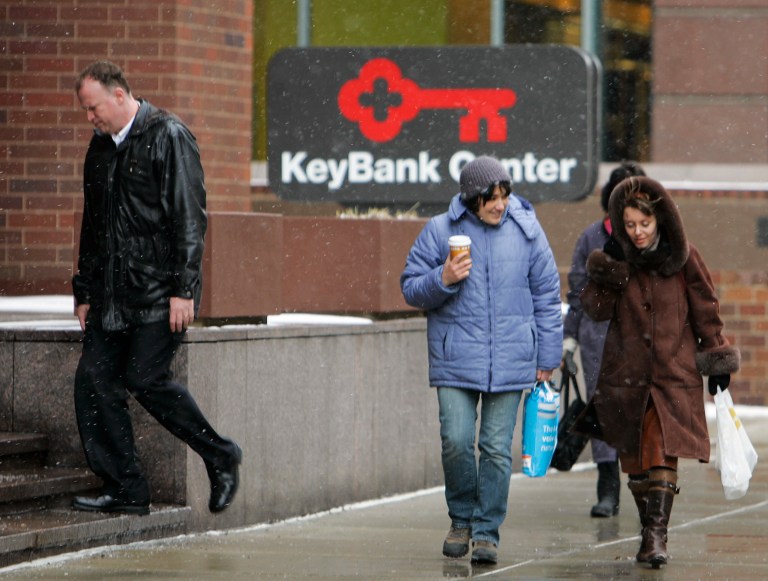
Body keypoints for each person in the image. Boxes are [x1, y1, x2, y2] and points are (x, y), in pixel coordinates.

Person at [71, 61, 242, 516]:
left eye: (93, 108)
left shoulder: (169, 135)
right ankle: (127, 488)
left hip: (158, 292)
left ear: (120, 96)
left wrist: (184, 289)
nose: (91, 117)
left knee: (145, 378)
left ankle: (220, 454)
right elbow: (93, 225)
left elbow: (190, 217)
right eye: (86, 111)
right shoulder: (100, 148)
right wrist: (84, 292)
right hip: (111, 295)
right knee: (92, 381)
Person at [400, 156, 562, 564]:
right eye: (491, 197)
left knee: (494, 448)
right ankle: (461, 520)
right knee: (455, 441)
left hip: (512, 358)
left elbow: (546, 295)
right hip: (456, 356)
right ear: (472, 199)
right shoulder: (440, 230)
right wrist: (444, 278)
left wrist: (548, 355)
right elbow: (410, 287)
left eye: (504, 195)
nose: (500, 204)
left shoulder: (527, 230)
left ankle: (487, 532)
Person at [573, 176, 739, 568]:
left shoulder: (684, 259)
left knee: (662, 450)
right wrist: (609, 268)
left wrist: (716, 356)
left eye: (644, 224)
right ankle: (650, 526)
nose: (638, 232)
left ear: (660, 220)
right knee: (633, 463)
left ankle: (655, 535)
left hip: (672, 374)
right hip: (625, 376)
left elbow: (705, 308)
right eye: (629, 225)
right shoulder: (617, 260)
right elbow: (594, 309)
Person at [562, 161, 646, 518]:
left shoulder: (651, 238)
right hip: (597, 337)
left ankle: (645, 487)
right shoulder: (590, 238)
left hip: (639, 338)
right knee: (603, 412)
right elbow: (577, 292)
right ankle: (608, 488)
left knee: (640, 412)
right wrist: (569, 340)